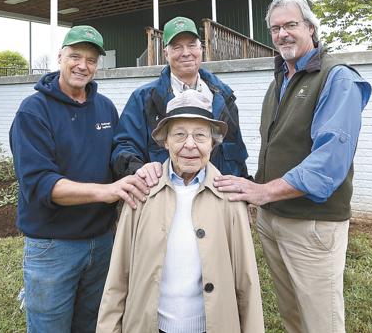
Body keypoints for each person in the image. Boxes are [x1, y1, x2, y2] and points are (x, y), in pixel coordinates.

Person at [213, 0, 372, 333]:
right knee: (292, 316)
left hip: (311, 225)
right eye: (275, 28)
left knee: (321, 322)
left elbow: (328, 164)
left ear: (311, 28)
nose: (282, 34)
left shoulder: (337, 78)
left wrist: (263, 192)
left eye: (291, 25)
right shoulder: (282, 78)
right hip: (273, 219)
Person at [10, 25, 150, 333]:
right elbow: (41, 184)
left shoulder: (105, 108)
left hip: (101, 242)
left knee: (94, 324)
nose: (82, 66)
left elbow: (117, 157)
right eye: (75, 56)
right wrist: (107, 192)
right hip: (53, 246)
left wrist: (139, 169)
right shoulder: (34, 112)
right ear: (60, 56)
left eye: (91, 60)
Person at [97, 91, 263, 333]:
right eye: (179, 134)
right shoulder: (143, 192)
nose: (190, 145)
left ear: (213, 142)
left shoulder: (230, 198)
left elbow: (246, 283)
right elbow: (118, 277)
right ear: (165, 141)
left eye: (200, 135)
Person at [112, 16, 249, 189]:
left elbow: (236, 153)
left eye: (191, 45)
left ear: (201, 49)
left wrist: (243, 187)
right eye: (177, 47)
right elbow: (124, 147)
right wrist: (139, 169)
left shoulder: (224, 96)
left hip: (217, 196)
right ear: (166, 54)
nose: (186, 53)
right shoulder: (143, 98)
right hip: (164, 197)